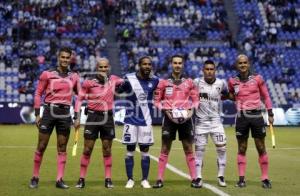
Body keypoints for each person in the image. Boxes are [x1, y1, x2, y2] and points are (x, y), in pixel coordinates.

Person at [29, 47, 80, 189]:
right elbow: (38, 93)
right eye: (62, 57)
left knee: (62, 147)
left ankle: (59, 179)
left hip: (64, 114)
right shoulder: (47, 74)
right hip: (49, 112)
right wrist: (38, 113)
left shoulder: (74, 76)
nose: (65, 60)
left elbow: (79, 97)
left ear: (70, 59)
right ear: (59, 58)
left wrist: (76, 117)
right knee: (41, 146)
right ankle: (35, 177)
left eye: (67, 57)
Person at [74, 58, 123, 189]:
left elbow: (128, 82)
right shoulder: (89, 82)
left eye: (105, 67)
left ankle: (108, 179)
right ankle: (81, 179)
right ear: (97, 68)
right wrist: (76, 117)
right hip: (93, 117)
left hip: (107, 118)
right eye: (101, 67)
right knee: (87, 149)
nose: (103, 69)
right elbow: (79, 100)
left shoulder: (114, 79)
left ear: (109, 67)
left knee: (107, 150)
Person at [153, 54, 201, 188]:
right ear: (171, 64)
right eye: (175, 63)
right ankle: (159, 179)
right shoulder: (163, 83)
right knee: (165, 148)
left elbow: (196, 100)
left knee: (188, 148)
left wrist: (191, 111)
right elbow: (156, 101)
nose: (177, 65)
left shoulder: (190, 82)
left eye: (180, 63)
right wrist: (166, 111)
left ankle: (194, 179)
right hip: (169, 119)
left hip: (185, 119)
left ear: (183, 64)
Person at [228, 54, 274, 189]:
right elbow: (231, 94)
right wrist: (232, 97)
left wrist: (270, 113)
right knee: (242, 148)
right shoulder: (232, 81)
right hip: (241, 116)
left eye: (245, 63)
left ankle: (265, 178)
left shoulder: (258, 78)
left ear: (248, 64)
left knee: (261, 147)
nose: (242, 65)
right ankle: (241, 179)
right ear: (237, 65)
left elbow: (266, 96)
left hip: (256, 115)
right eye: (240, 63)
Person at [119, 56, 159, 188]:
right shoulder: (129, 78)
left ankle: (144, 180)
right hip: (130, 120)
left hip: (145, 121)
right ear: (139, 65)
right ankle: (130, 179)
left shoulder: (155, 81)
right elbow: (117, 90)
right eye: (144, 64)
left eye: (149, 64)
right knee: (130, 150)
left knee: (145, 151)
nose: (147, 66)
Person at [193, 60, 230, 187]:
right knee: (199, 151)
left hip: (216, 122)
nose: (209, 71)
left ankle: (221, 176)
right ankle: (198, 177)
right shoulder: (196, 82)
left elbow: (226, 94)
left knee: (222, 148)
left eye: (211, 69)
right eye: (207, 69)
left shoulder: (221, 83)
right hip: (200, 122)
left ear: (215, 70)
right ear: (203, 70)